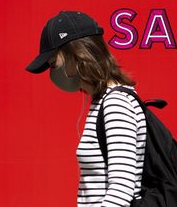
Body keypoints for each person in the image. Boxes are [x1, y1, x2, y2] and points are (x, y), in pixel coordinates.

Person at [26, 11, 147, 207]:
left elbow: (121, 189)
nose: (53, 73)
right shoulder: (102, 102)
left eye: (53, 63)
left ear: (77, 55)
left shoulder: (115, 104)